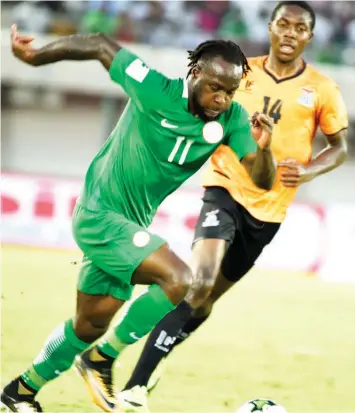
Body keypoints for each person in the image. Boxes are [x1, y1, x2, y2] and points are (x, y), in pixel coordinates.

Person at [1, 26, 277, 413]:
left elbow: (263, 180)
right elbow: (99, 44)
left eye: (230, 91)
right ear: (195, 73)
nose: (222, 98)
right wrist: (35, 56)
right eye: (216, 87)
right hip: (99, 215)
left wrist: (265, 149)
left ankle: (20, 391)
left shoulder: (232, 120)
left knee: (88, 325)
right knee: (182, 278)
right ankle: (102, 359)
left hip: (130, 228)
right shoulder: (155, 89)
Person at [118, 1, 349, 411]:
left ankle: (151, 341)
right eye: (283, 24)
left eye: (300, 28)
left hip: (270, 211)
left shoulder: (324, 90)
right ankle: (132, 385)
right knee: (198, 282)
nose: (290, 33)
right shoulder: (239, 74)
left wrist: (311, 170)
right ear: (271, 27)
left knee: (202, 304)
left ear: (310, 37)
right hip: (224, 188)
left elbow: (338, 147)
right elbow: (200, 102)